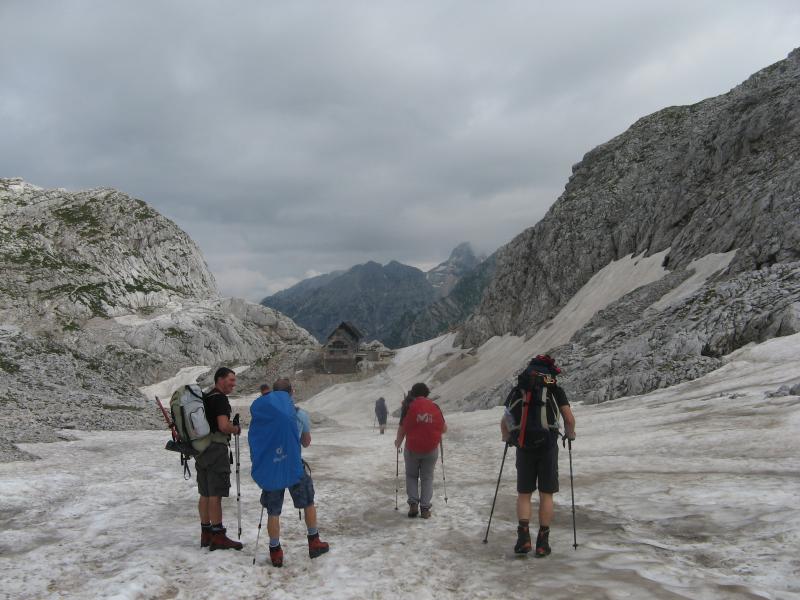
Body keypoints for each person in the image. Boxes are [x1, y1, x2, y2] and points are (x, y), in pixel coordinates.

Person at [500, 354, 576, 557]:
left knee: (524, 494)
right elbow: (569, 419)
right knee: (546, 494)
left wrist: (508, 438)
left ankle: (523, 539)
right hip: (548, 446)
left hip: (524, 445)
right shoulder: (555, 389)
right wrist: (570, 435)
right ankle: (542, 542)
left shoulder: (520, 388)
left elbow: (505, 420)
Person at [249, 378, 329, 567]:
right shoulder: (299, 414)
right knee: (308, 502)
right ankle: (314, 542)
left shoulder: (264, 415)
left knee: (273, 511)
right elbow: (306, 442)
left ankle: (275, 551)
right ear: (291, 392)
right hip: (293, 466)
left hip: (272, 467)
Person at [197, 367, 243, 551]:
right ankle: (218, 536)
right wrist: (236, 429)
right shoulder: (220, 399)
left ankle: (206, 532)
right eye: (231, 380)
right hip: (216, 449)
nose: (233, 384)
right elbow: (223, 426)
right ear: (220, 379)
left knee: (205, 493)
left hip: (201, 449)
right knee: (215, 493)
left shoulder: (206, 398)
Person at [394, 383, 447, 519]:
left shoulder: (408, 407)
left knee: (411, 476)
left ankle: (413, 504)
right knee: (427, 477)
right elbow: (444, 428)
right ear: (427, 393)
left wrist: (398, 442)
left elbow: (403, 428)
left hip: (412, 448)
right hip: (431, 449)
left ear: (413, 393)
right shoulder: (434, 407)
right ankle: (425, 509)